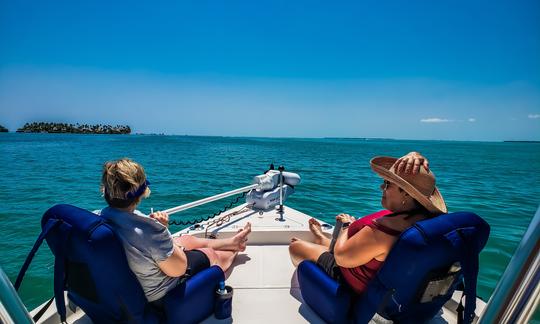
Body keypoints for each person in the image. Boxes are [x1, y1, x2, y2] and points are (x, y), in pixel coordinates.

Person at [288, 152, 447, 295]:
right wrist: (417, 155)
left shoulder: (385, 231)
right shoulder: (426, 220)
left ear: (406, 193)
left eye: (387, 184)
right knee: (328, 246)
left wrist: (347, 226)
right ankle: (322, 239)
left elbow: (341, 258)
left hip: (349, 274)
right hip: (371, 262)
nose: (381, 187)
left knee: (296, 247)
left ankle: (323, 241)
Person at [97, 158, 251, 305]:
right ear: (142, 191)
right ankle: (234, 250)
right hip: (158, 294)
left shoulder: (99, 216)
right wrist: (162, 230)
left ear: (106, 191)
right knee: (210, 254)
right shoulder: (150, 229)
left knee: (187, 239)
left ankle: (231, 242)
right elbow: (178, 270)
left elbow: (145, 242)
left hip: (133, 278)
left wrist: (162, 234)